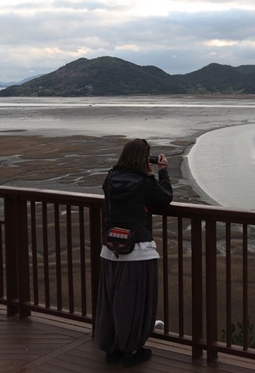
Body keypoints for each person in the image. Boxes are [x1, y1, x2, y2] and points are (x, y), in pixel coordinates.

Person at [94, 138, 173, 367]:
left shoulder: (109, 178)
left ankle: (112, 348)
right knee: (137, 303)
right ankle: (131, 350)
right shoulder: (144, 182)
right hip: (138, 250)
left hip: (110, 249)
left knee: (112, 301)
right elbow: (165, 198)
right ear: (143, 159)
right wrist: (163, 171)